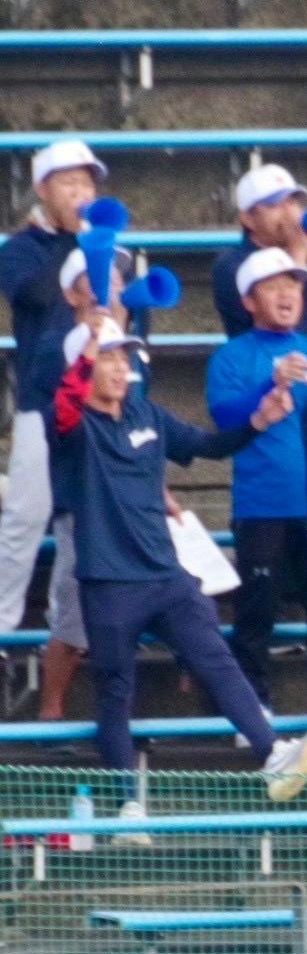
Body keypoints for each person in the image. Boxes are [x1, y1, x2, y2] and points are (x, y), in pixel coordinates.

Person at [51, 317, 307, 807]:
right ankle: (127, 806)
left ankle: (272, 754)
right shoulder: (73, 428)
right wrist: (89, 342)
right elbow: (65, 402)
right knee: (115, 693)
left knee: (216, 657)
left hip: (166, 576)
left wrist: (258, 422)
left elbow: (208, 445)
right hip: (108, 583)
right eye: (107, 358)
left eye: (123, 358)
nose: (119, 368)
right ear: (84, 364)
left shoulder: (146, 413)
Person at [206, 249, 307, 712]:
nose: (287, 295)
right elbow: (225, 420)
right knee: (255, 614)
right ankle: (253, 713)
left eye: (294, 285)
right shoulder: (231, 357)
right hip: (262, 506)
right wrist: (271, 383)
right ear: (248, 301)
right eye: (273, 286)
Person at [28, 242, 149, 720]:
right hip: (81, 498)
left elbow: (141, 423)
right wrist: (92, 345)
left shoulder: (129, 349)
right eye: (97, 281)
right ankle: (50, 712)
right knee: (75, 611)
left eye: (116, 279)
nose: (110, 288)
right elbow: (61, 410)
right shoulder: (55, 345)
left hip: (129, 495)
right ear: (72, 294)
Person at [0, 138, 107, 632]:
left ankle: (72, 633)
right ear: (42, 189)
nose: (81, 193)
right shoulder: (20, 249)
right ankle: (2, 623)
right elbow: (33, 295)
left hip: (99, 402)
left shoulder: (106, 246)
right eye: (68, 183)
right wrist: (76, 243)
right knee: (25, 519)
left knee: (89, 523)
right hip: (43, 401)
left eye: (87, 183)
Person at [209, 163, 307, 341]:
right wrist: (299, 254)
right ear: (248, 219)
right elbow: (283, 320)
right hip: (266, 357)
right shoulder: (232, 264)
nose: (289, 212)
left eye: (292, 202)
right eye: (275, 205)